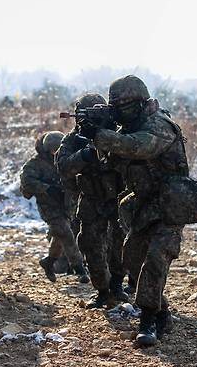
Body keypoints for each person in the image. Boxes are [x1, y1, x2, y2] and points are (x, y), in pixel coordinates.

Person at [90, 75, 197, 347]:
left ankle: (148, 320)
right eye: (114, 107)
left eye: (123, 105)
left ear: (139, 102)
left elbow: (139, 147)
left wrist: (104, 136)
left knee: (155, 258)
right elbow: (113, 163)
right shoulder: (127, 128)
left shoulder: (159, 124)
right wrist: (94, 135)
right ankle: (161, 310)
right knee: (132, 259)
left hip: (170, 205)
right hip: (143, 205)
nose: (119, 111)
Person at [56, 93, 128, 308]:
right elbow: (63, 168)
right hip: (91, 200)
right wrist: (85, 155)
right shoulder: (73, 139)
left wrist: (109, 141)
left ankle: (117, 285)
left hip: (118, 199)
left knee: (120, 245)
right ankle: (102, 290)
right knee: (90, 245)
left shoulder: (118, 134)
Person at [20, 131, 89, 284]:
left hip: (65, 205)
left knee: (59, 235)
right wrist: (46, 188)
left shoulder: (65, 160)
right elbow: (26, 182)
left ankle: (49, 261)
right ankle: (79, 269)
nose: (54, 153)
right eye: (52, 150)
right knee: (66, 233)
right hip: (48, 206)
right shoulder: (35, 164)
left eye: (57, 150)